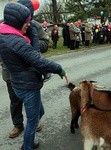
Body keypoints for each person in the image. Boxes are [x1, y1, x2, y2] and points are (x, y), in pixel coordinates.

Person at [0, 2, 66, 150]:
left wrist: (31, 33)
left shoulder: (5, 34)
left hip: (18, 82)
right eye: (26, 21)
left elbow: (35, 52)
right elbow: (37, 59)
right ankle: (27, 146)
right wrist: (59, 69)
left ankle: (28, 139)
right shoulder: (17, 41)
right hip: (27, 85)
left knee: (38, 112)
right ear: (17, 21)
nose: (29, 25)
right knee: (32, 121)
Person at [1, 0, 50, 139]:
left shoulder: (34, 25)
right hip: (10, 71)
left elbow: (46, 43)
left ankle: (34, 121)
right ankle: (18, 125)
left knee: (33, 98)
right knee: (15, 100)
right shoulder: (3, 24)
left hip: (30, 72)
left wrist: (28, 45)